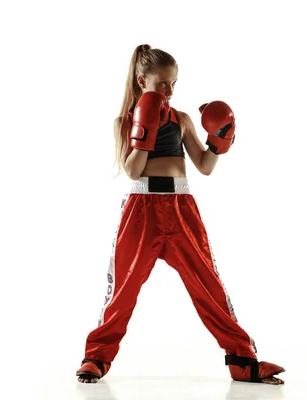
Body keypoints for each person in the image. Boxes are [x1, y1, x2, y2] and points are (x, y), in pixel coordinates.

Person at [76, 44, 285, 385]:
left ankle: (243, 361)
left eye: (174, 84)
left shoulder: (182, 119)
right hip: (142, 209)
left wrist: (220, 141)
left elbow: (204, 166)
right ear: (142, 80)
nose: (169, 91)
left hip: (181, 207)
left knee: (209, 285)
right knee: (123, 289)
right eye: (162, 84)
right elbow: (132, 171)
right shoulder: (124, 121)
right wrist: (145, 131)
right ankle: (96, 358)